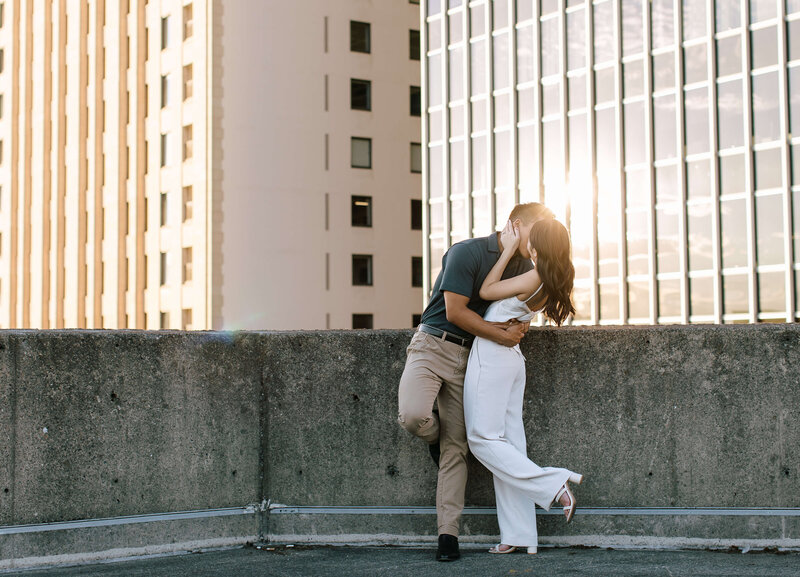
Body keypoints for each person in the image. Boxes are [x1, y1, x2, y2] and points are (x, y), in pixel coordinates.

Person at [397, 202, 554, 562]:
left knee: (457, 448)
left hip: (472, 359)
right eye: (536, 232)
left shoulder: (527, 268)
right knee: (414, 416)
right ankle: (434, 437)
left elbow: (516, 316)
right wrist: (501, 335)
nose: (540, 241)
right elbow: (456, 311)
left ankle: (448, 536)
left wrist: (515, 328)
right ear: (516, 225)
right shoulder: (466, 252)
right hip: (432, 344)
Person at [463, 217, 583, 555]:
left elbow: (486, 290)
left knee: (482, 439)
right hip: (512, 360)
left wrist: (508, 250)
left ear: (537, 245)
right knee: (511, 446)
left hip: (493, 355)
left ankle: (554, 485)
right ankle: (520, 535)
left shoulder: (533, 276)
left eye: (530, 238)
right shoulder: (550, 279)